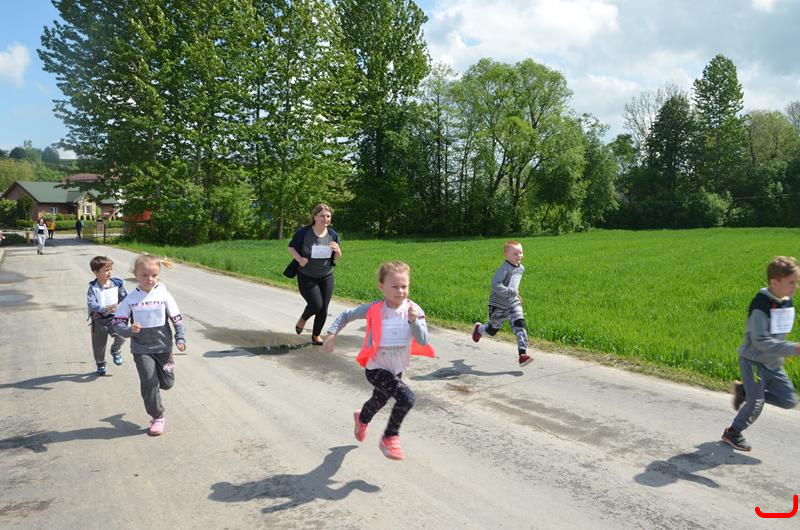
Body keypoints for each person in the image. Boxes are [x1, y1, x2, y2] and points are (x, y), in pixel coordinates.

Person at [323, 261, 435, 460]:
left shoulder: (414, 310)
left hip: (396, 369)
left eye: (404, 286)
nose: (400, 291)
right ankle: (389, 437)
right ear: (381, 287)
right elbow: (346, 315)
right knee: (406, 398)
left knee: (379, 400)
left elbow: (423, 340)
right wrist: (332, 333)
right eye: (395, 286)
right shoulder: (375, 309)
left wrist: (413, 321)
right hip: (375, 368)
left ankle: (362, 418)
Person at [721, 256, 800, 451]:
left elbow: (780, 332)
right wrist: (793, 349)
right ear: (774, 282)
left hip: (773, 363)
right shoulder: (761, 304)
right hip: (753, 361)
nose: (795, 287)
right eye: (791, 282)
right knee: (757, 402)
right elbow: (760, 341)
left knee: (789, 400)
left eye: (796, 282)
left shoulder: (787, 302)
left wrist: (785, 350)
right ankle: (732, 432)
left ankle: (744, 391)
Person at [113, 254, 186, 436]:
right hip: (141, 349)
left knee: (167, 384)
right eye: (144, 275)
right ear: (135, 275)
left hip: (163, 347)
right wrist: (129, 330)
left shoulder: (164, 295)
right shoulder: (131, 299)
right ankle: (157, 416)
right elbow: (117, 323)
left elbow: (177, 319)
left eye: (154, 275)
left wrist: (180, 337)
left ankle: (158, 385)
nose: (149, 279)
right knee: (149, 382)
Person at [285, 204, 342, 345]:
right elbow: (291, 247)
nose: (325, 218)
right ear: (315, 217)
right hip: (306, 276)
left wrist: (338, 252)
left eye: (328, 216)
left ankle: (316, 335)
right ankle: (303, 319)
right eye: (322, 215)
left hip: (326, 275)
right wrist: (300, 259)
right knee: (316, 305)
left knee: (324, 308)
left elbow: (335, 258)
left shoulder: (333, 235)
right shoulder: (304, 233)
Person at [471, 240, 531, 366]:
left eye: (521, 252)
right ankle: (479, 329)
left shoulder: (521, 268)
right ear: (506, 255)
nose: (519, 256)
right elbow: (495, 285)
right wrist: (511, 292)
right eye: (515, 253)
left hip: (513, 303)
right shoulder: (504, 269)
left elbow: (512, 285)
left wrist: (516, 295)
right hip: (497, 304)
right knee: (492, 330)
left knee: (520, 324)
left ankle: (522, 354)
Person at [87, 256, 128, 376]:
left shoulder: (116, 284)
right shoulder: (93, 288)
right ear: (96, 272)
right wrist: (104, 308)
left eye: (110, 269)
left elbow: (125, 297)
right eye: (106, 270)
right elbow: (91, 304)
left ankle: (115, 350)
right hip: (98, 320)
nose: (109, 272)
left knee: (122, 335)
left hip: (114, 318)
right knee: (99, 345)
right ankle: (100, 364)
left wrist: (121, 306)